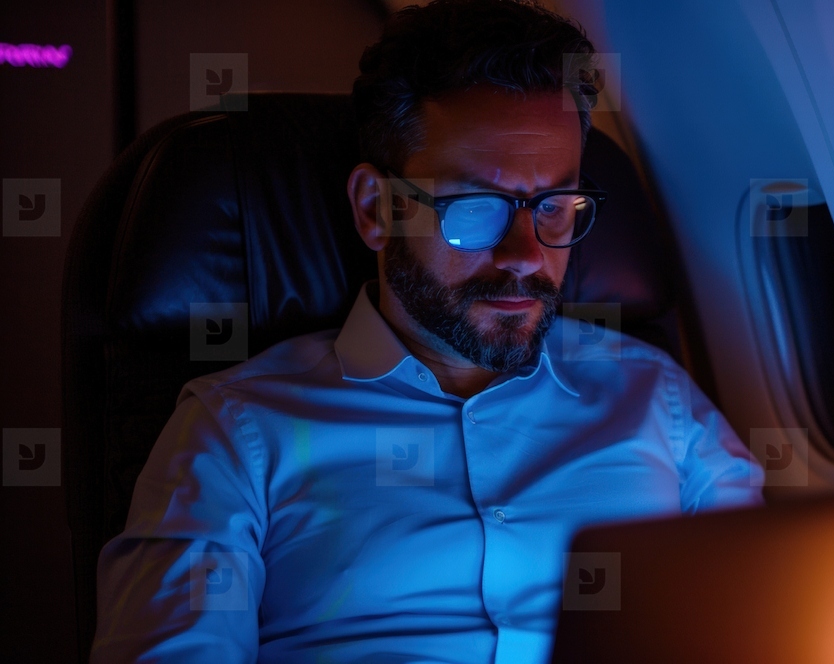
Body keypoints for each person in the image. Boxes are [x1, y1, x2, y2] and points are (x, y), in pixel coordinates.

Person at [91, 1, 764, 661]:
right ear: (375, 209)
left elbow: (764, 615)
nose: (525, 255)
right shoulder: (236, 432)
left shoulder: (658, 400)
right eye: (475, 208)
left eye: (553, 206)